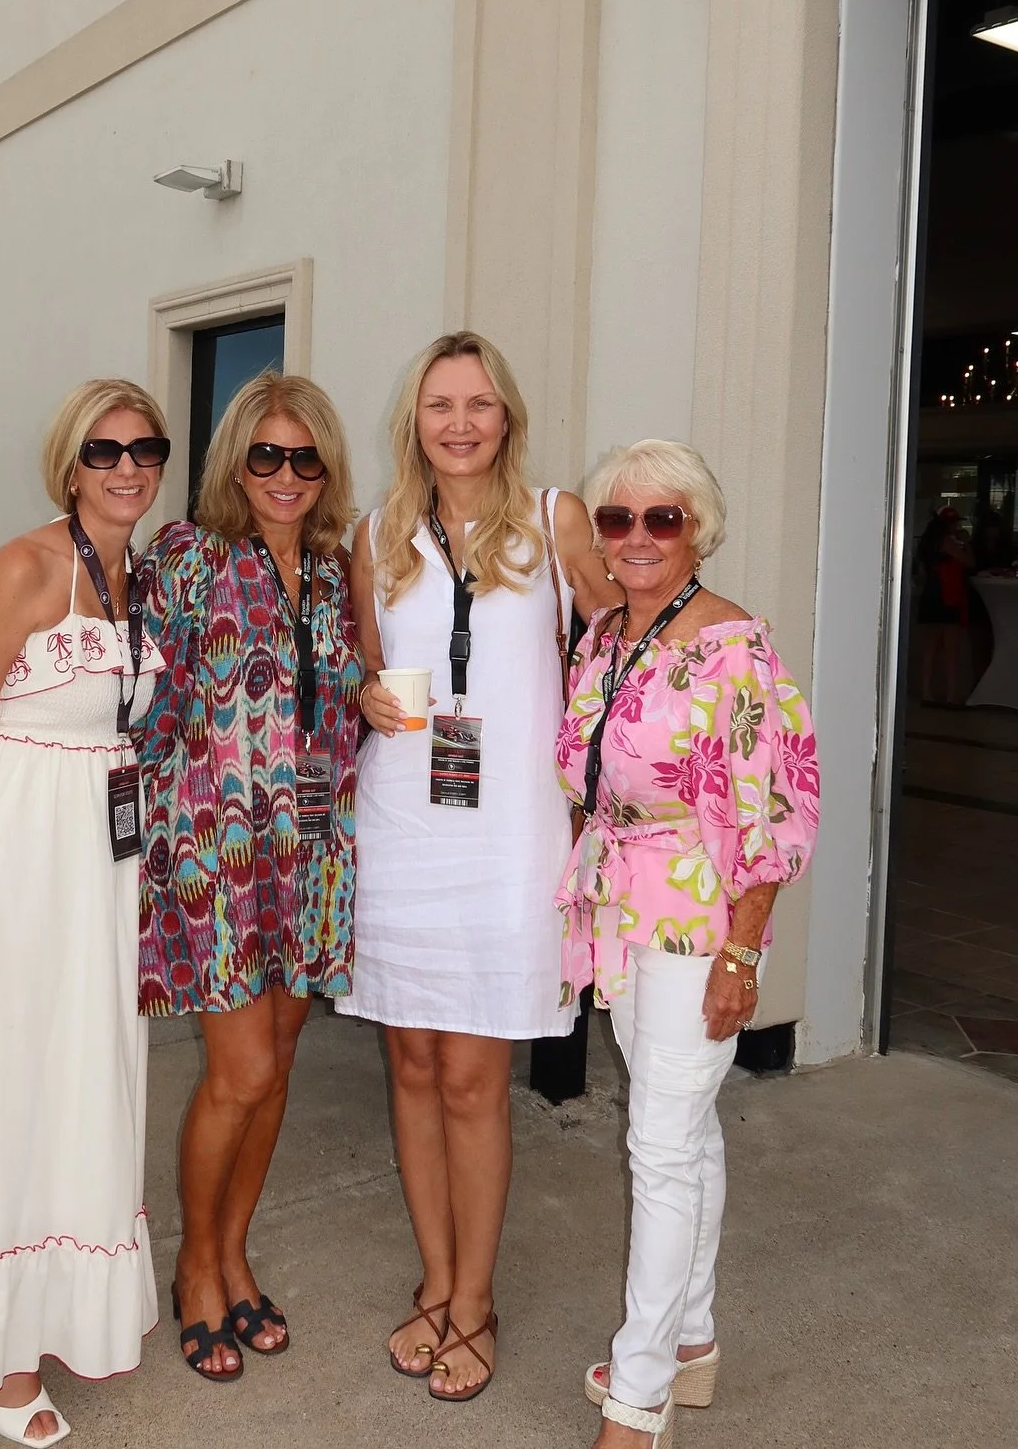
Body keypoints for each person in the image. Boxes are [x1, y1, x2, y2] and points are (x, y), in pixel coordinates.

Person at [338, 331, 620, 1402]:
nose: (460, 423)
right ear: (415, 418)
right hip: (405, 819)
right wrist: (368, 693)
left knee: (472, 1076)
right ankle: (436, 1277)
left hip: (507, 833)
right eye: (440, 404)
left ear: (509, 417)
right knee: (410, 1066)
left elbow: (612, 637)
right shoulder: (377, 534)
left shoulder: (554, 520)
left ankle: (476, 1303)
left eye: (480, 404)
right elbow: (371, 667)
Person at [0, 380, 171, 1446]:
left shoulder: (149, 576)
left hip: (101, 867)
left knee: (81, 1078)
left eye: (146, 447)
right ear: (70, 462)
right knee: (7, 1082)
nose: (127, 467)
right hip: (11, 852)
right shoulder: (25, 567)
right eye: (105, 449)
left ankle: (55, 1306)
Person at [553, 438, 821, 1449]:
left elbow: (770, 817)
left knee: (659, 1147)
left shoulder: (733, 648)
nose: (635, 537)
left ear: (697, 530)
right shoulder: (604, 637)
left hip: (696, 918)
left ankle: (637, 1395)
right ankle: (693, 1344)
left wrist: (742, 956)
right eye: (617, 519)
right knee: (684, 1127)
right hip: (620, 910)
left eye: (660, 519)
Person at [136, 372, 361, 1381]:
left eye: (304, 457)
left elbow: (352, 699)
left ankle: (234, 1252)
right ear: (236, 460)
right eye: (265, 455)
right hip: (217, 851)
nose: (284, 475)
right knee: (242, 1073)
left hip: (310, 849)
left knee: (279, 1063)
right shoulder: (189, 558)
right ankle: (194, 1268)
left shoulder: (332, 569)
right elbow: (141, 709)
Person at [914, 506, 974, 706]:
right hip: (948, 598)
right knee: (951, 650)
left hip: (930, 595)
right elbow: (969, 562)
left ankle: (926, 692)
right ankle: (951, 695)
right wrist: (965, 543)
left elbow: (921, 575)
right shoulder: (948, 542)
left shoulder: (926, 544)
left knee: (930, 648)